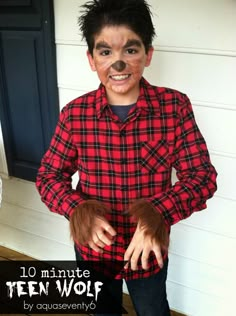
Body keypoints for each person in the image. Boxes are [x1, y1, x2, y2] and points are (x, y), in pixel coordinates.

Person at [36, 0, 217, 315]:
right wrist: (77, 210)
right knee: (101, 310)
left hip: (147, 252)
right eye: (105, 52)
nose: (117, 63)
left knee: (153, 309)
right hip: (93, 250)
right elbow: (49, 176)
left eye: (130, 50)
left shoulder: (174, 108)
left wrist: (156, 215)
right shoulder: (75, 114)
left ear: (148, 54)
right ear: (92, 59)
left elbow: (201, 177)